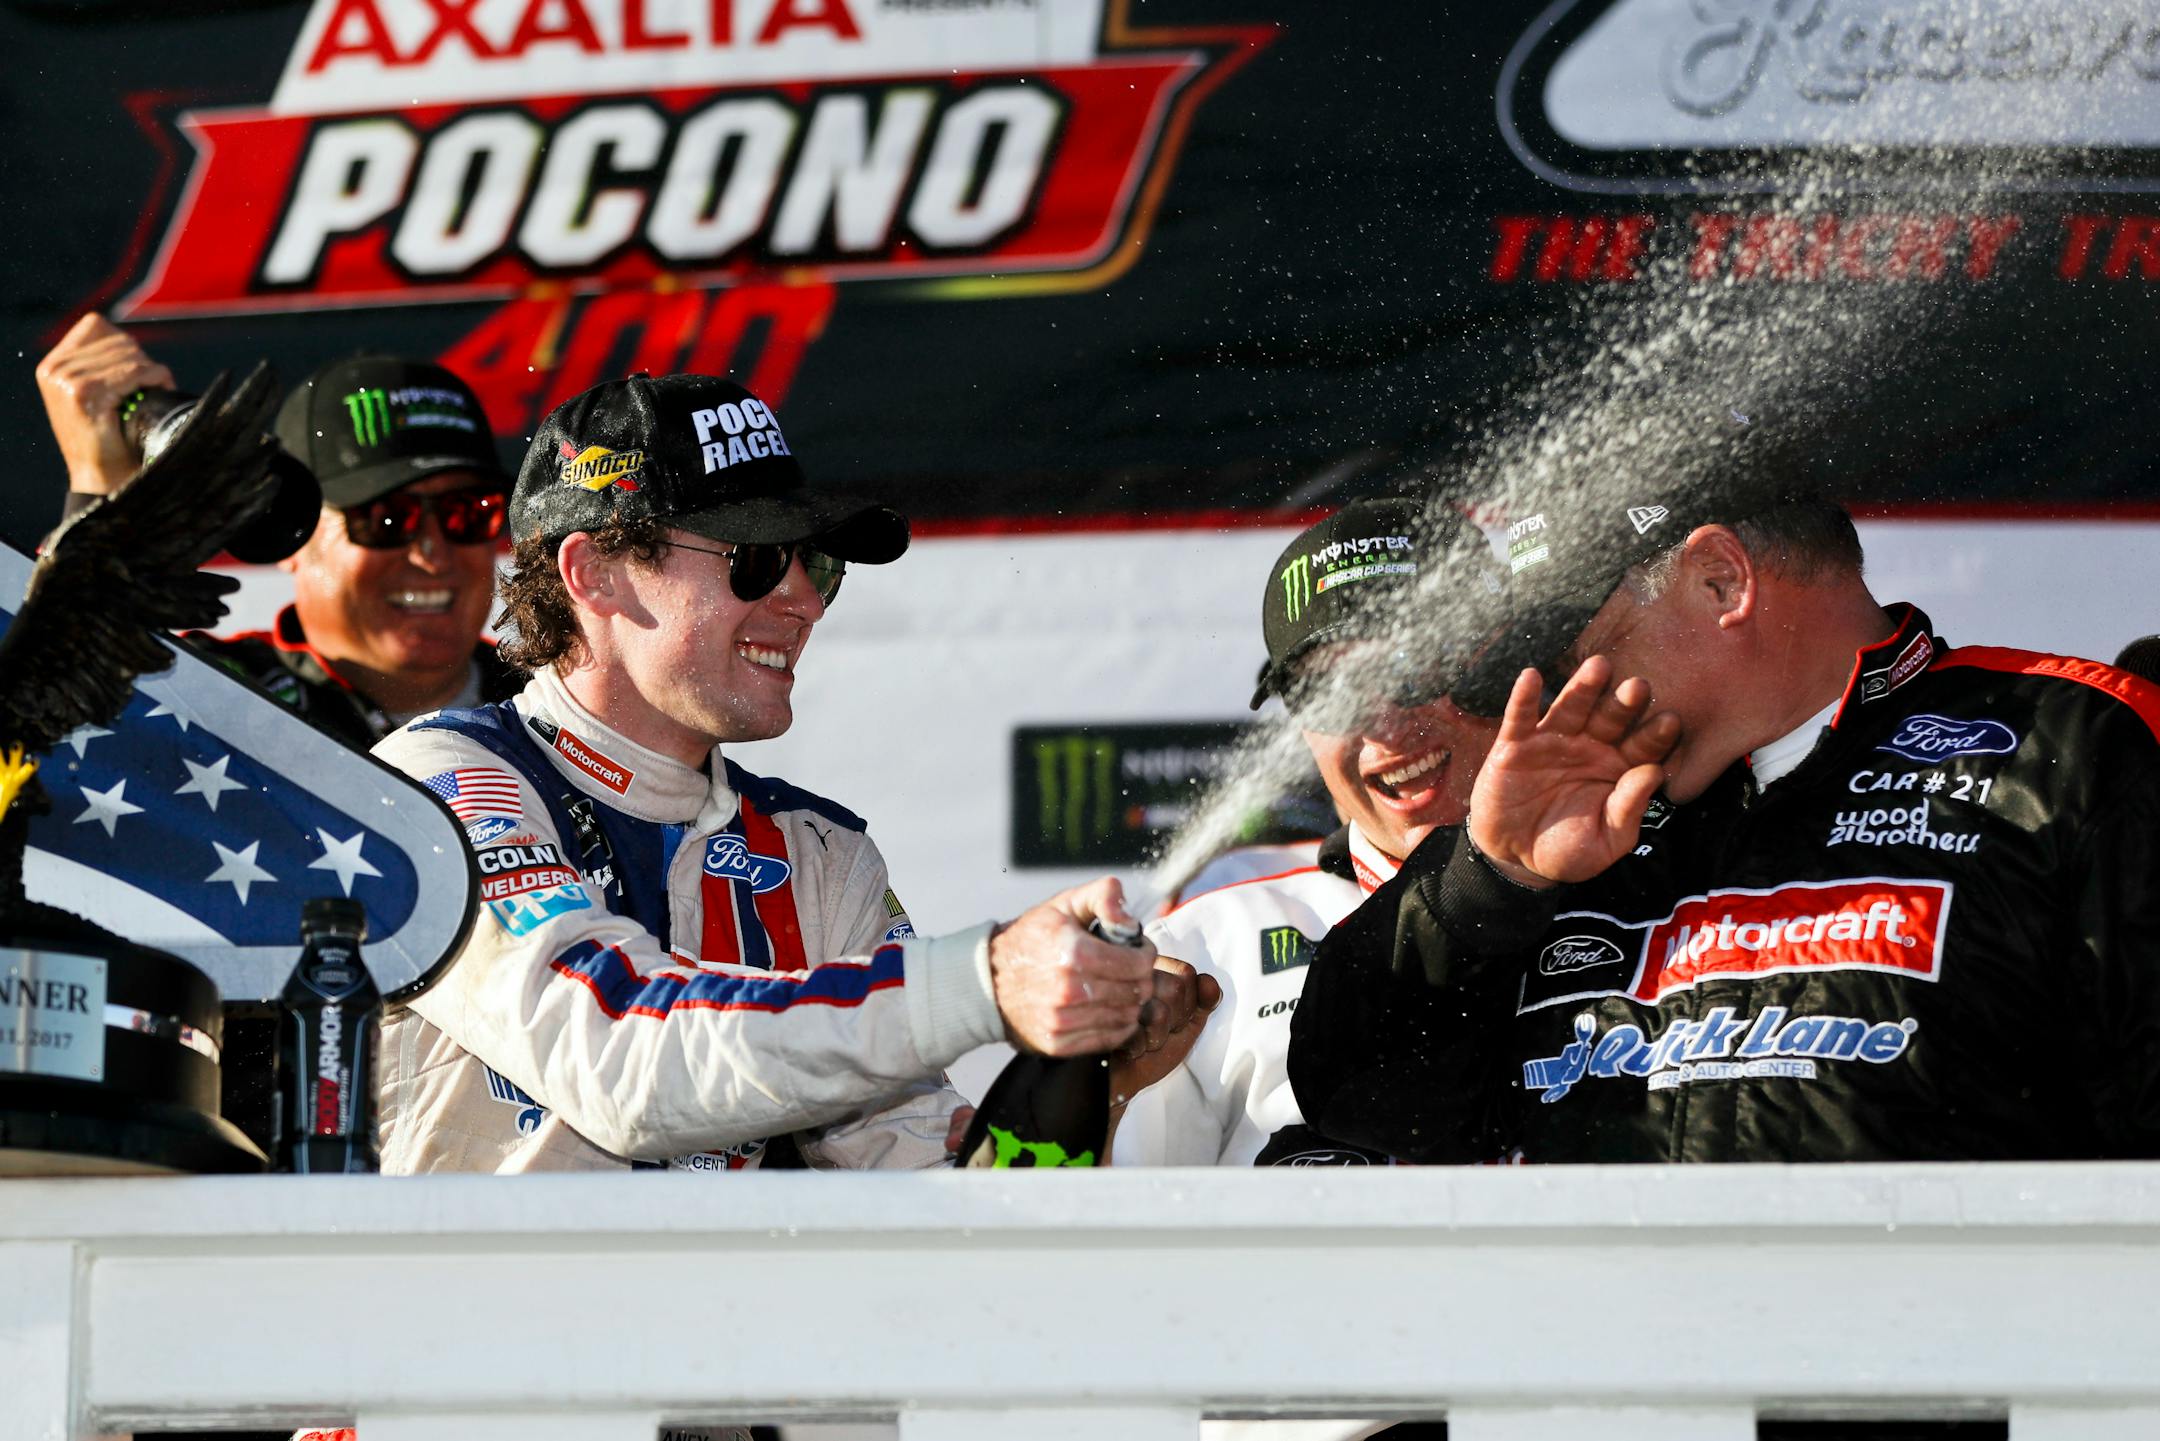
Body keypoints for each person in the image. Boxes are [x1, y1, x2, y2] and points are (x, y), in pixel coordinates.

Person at [372, 372, 1202, 1172]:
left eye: (817, 565)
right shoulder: (436, 783)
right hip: (470, 1316)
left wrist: (1083, 1075)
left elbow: (955, 1211)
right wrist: (980, 981)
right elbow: (622, 1058)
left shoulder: (821, 856)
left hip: (729, 1318)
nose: (804, 601)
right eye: (756, 559)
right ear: (595, 573)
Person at [1289, 470, 2160, 1163]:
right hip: (1604, 1376)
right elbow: (1363, 1104)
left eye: (1568, 644)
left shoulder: (2078, 747)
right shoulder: (1558, 820)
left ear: (1721, 579)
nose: (1549, 682)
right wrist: (1488, 880)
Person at [1112, 499, 1501, 1168]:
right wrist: (1102, 1089)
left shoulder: (1652, 893)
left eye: (1413, 664)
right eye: (1331, 694)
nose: (1382, 725)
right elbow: (1091, 1236)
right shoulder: (1207, 947)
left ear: (1501, 660)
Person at [35, 314, 522, 751]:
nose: (433, 554)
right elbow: (53, 733)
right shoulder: (216, 692)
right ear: (292, 530)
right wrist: (98, 484)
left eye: (468, 512)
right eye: (387, 519)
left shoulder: (555, 700)